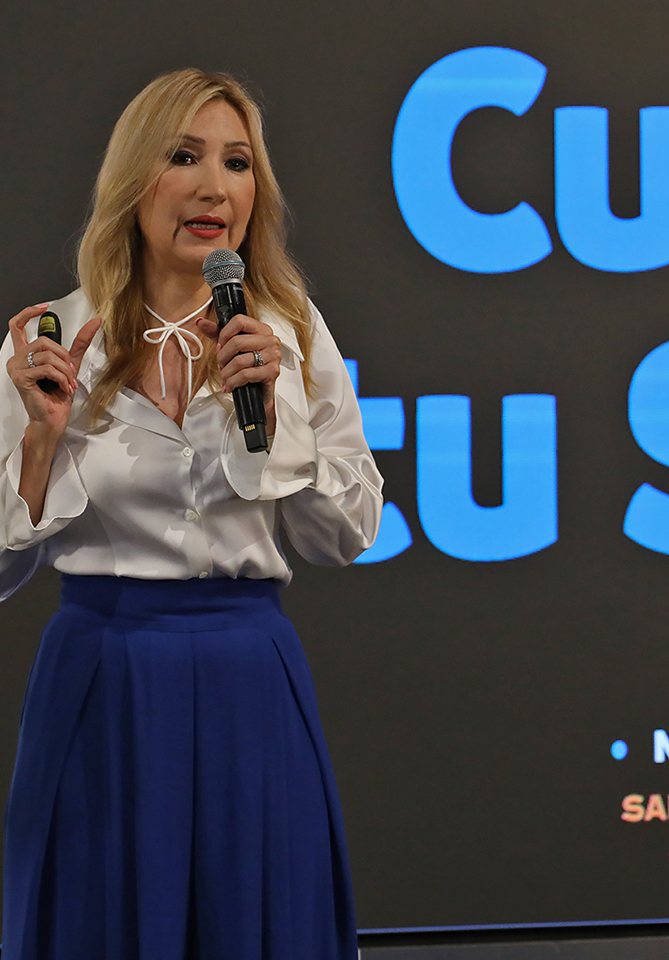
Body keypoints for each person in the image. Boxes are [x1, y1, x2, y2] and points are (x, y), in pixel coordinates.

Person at [0, 68, 382, 958]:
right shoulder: (51, 340)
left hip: (250, 675)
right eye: (184, 157)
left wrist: (275, 421)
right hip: (105, 678)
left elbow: (346, 535)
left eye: (238, 163)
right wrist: (41, 445)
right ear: (135, 180)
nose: (215, 187)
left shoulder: (288, 332)